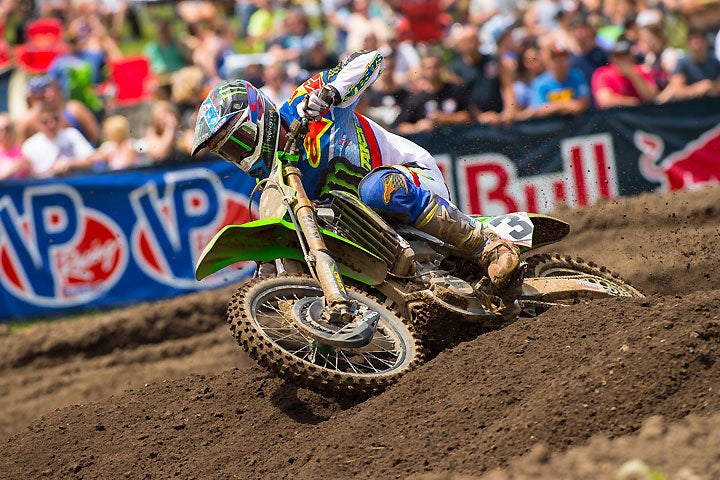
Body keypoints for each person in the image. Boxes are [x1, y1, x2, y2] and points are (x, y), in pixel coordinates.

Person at [190, 50, 522, 316]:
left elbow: (371, 59)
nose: (239, 155)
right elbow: (277, 258)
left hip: (409, 175)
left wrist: (332, 92)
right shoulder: (275, 182)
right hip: (366, 225)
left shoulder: (304, 103)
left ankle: (487, 245)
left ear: (257, 115)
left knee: (377, 190)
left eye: (239, 141)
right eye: (229, 152)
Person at [395, 51, 473, 134]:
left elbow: (470, 117)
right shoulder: (416, 99)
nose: (432, 71)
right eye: (428, 68)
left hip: (457, 141)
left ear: (442, 67)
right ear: (422, 70)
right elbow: (400, 127)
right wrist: (417, 127)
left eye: (435, 67)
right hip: (427, 144)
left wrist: (447, 119)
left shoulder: (455, 90)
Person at [21, 104, 95, 178]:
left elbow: (91, 161)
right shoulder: (30, 145)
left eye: (55, 119)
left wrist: (69, 163)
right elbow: (27, 173)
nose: (51, 124)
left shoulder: (72, 135)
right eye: (45, 121)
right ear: (37, 123)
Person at [527, 38, 591, 117]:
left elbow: (582, 103)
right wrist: (564, 104)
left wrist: (556, 107)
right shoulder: (539, 83)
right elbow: (538, 110)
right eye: (556, 58)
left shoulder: (577, 76)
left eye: (564, 57)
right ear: (549, 60)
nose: (560, 61)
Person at [591, 36, 658, 109]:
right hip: (614, 118)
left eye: (626, 55)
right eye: (619, 56)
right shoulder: (602, 74)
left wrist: (634, 76)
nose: (623, 60)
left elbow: (652, 97)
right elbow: (605, 101)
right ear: (612, 58)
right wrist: (634, 102)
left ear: (632, 56)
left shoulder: (643, 71)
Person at [658, 27, 720, 103]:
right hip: (689, 109)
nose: (696, 46)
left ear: (705, 42)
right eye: (693, 42)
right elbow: (678, 91)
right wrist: (696, 89)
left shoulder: (715, 62)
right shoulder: (682, 63)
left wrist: (710, 87)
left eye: (699, 41)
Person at [0, 113, 30, 180]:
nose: (4, 132)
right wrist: (10, 170)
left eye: (7, 128)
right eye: (0, 129)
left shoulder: (23, 151)